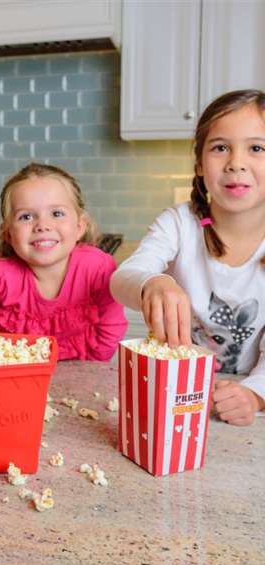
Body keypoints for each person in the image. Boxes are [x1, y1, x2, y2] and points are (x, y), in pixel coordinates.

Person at [111, 89, 265, 426]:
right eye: (220, 147)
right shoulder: (181, 223)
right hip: (174, 399)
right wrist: (153, 281)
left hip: (244, 403)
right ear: (199, 163)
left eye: (256, 148)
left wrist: (253, 395)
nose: (236, 162)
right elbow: (123, 277)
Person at [0, 163, 128, 360]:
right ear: (8, 233)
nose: (42, 225)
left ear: (79, 227)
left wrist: (86, 373)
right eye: (26, 217)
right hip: (5, 380)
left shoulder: (97, 268)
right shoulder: (0, 277)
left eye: (57, 213)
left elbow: (111, 329)